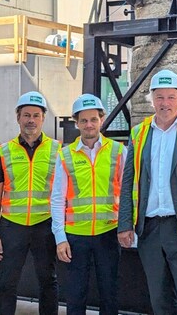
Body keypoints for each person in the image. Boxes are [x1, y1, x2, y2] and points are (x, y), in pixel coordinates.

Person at [117, 69, 177, 315]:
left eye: (171, 97)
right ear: (151, 100)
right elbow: (128, 180)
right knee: (158, 298)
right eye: (159, 97)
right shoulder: (139, 134)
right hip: (149, 230)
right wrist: (124, 224)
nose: (165, 103)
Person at [50, 94, 126, 315]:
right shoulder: (65, 156)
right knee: (75, 296)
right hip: (75, 236)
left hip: (108, 233)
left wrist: (126, 227)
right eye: (83, 120)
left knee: (110, 294)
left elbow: (131, 194)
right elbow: (57, 199)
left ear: (101, 120)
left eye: (93, 119)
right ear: (77, 123)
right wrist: (60, 237)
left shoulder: (118, 152)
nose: (89, 125)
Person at [0, 91, 60, 315]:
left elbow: (64, 194)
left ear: (43, 118)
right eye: (26, 115)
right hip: (12, 226)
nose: (31, 120)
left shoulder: (59, 150)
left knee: (49, 282)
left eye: (36, 115)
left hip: (45, 226)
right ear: (18, 118)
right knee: (6, 284)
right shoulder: (4, 151)